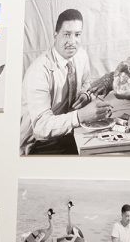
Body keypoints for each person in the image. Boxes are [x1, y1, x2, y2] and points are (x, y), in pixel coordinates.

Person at [20, 8, 111, 154]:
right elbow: (41, 127)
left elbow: (86, 83)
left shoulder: (81, 55)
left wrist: (85, 95)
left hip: (69, 131)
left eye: (77, 35)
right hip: (38, 143)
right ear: (55, 35)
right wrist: (80, 116)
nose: (72, 42)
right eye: (67, 34)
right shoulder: (38, 72)